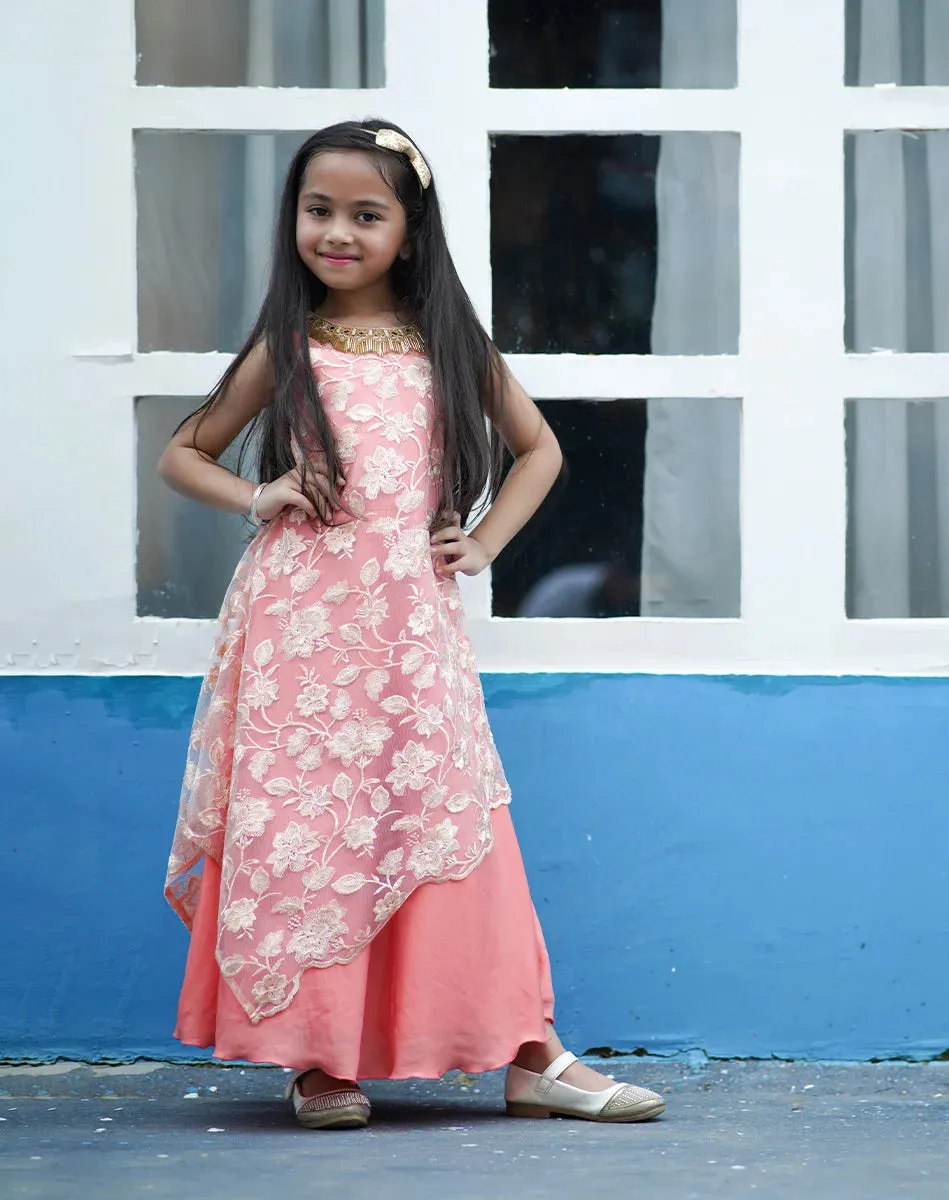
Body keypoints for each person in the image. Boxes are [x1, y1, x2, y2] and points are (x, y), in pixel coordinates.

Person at [159, 119, 665, 1130]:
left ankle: (529, 1051)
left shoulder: (448, 345)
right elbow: (184, 453)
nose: (335, 232)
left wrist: (479, 546)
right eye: (317, 209)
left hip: (408, 626)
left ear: (409, 229)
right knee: (305, 833)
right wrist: (261, 498)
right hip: (300, 628)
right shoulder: (287, 346)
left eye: (364, 214)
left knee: (446, 820)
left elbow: (539, 451)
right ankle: (315, 1058)